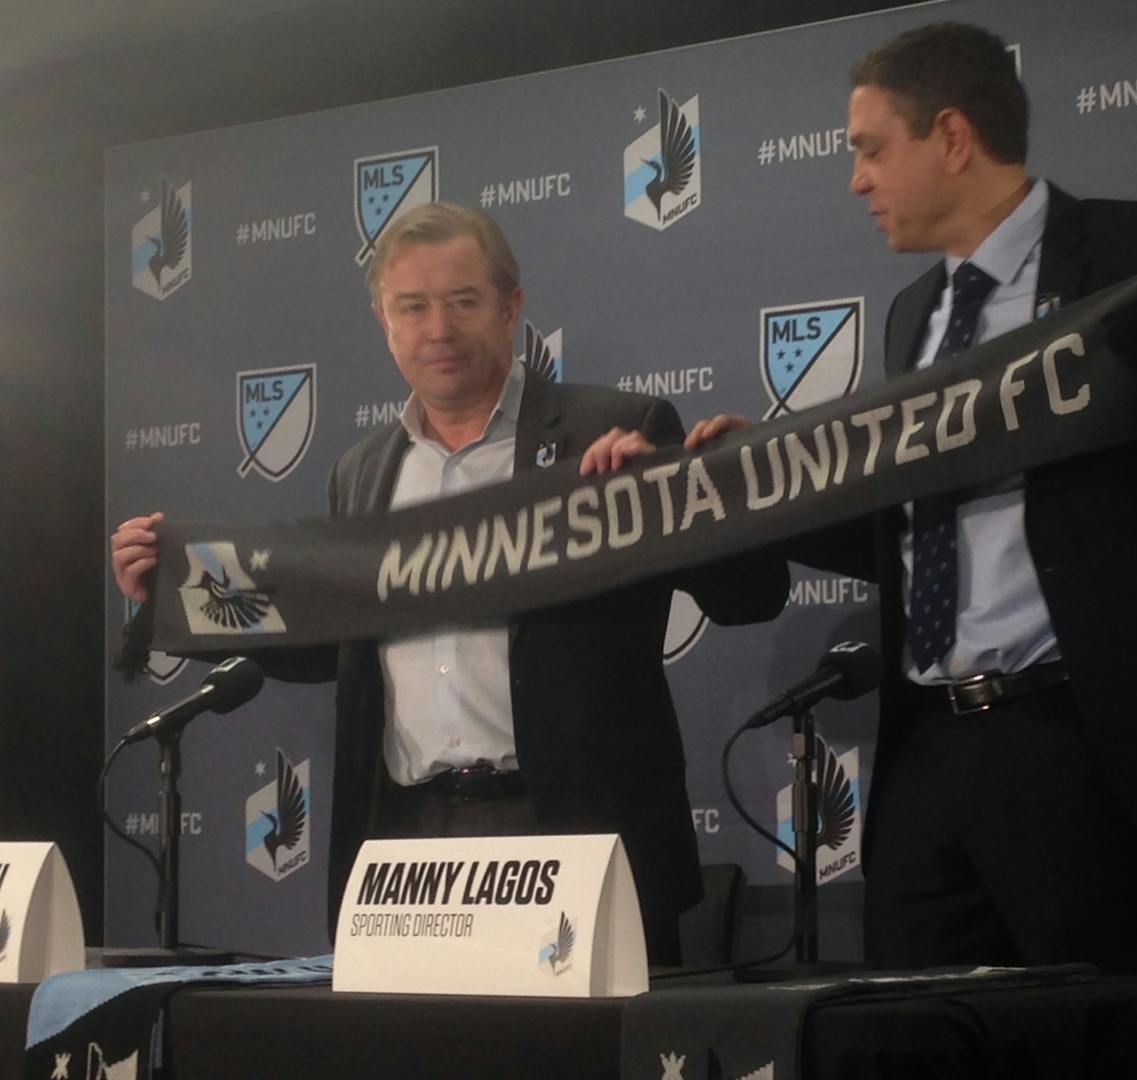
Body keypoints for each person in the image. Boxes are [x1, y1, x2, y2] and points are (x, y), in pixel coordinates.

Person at [604, 21, 1137, 972]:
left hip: (1088, 749)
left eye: (872, 149)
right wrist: (750, 486)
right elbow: (917, 532)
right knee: (918, 1035)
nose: (857, 179)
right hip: (929, 755)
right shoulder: (912, 320)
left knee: (1087, 1043)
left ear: (953, 138)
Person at [111, 202, 789, 964]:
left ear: (512, 308)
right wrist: (172, 598)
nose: (438, 329)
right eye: (412, 306)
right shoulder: (362, 473)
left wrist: (685, 494)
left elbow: (750, 597)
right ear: (383, 320)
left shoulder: (616, 427)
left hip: (578, 837)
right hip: (408, 843)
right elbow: (332, 642)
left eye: (463, 302)